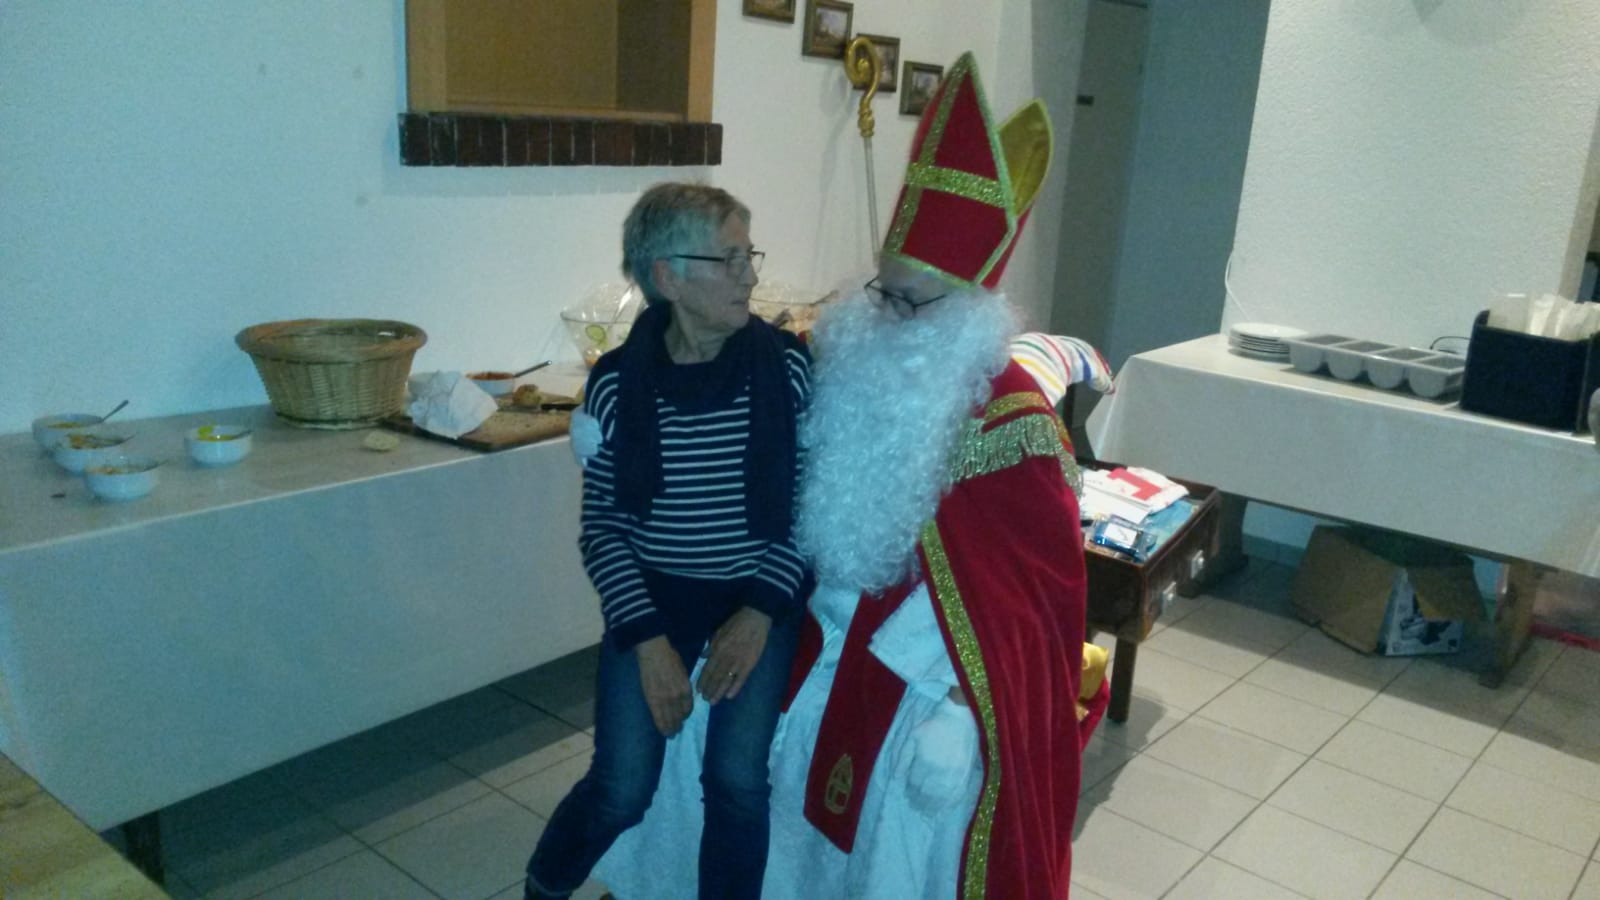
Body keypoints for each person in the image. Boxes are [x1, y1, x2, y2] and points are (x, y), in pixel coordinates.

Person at [593, 53, 1104, 899]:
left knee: (907, 779)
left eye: (912, 303)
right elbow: (720, 381)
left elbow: (1026, 609)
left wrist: (959, 712)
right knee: (700, 717)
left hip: (924, 656)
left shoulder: (1011, 424)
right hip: (803, 606)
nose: (887, 317)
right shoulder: (844, 352)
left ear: (970, 309)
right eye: (883, 292)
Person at [523, 182, 812, 900]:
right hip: (652, 599)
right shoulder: (617, 385)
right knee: (621, 787)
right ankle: (544, 886)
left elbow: (809, 512)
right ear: (669, 277)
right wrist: (648, 643)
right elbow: (604, 530)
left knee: (738, 782)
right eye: (728, 259)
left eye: (749, 256)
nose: (749, 276)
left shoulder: (787, 369)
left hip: (758, 593)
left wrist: (759, 614)